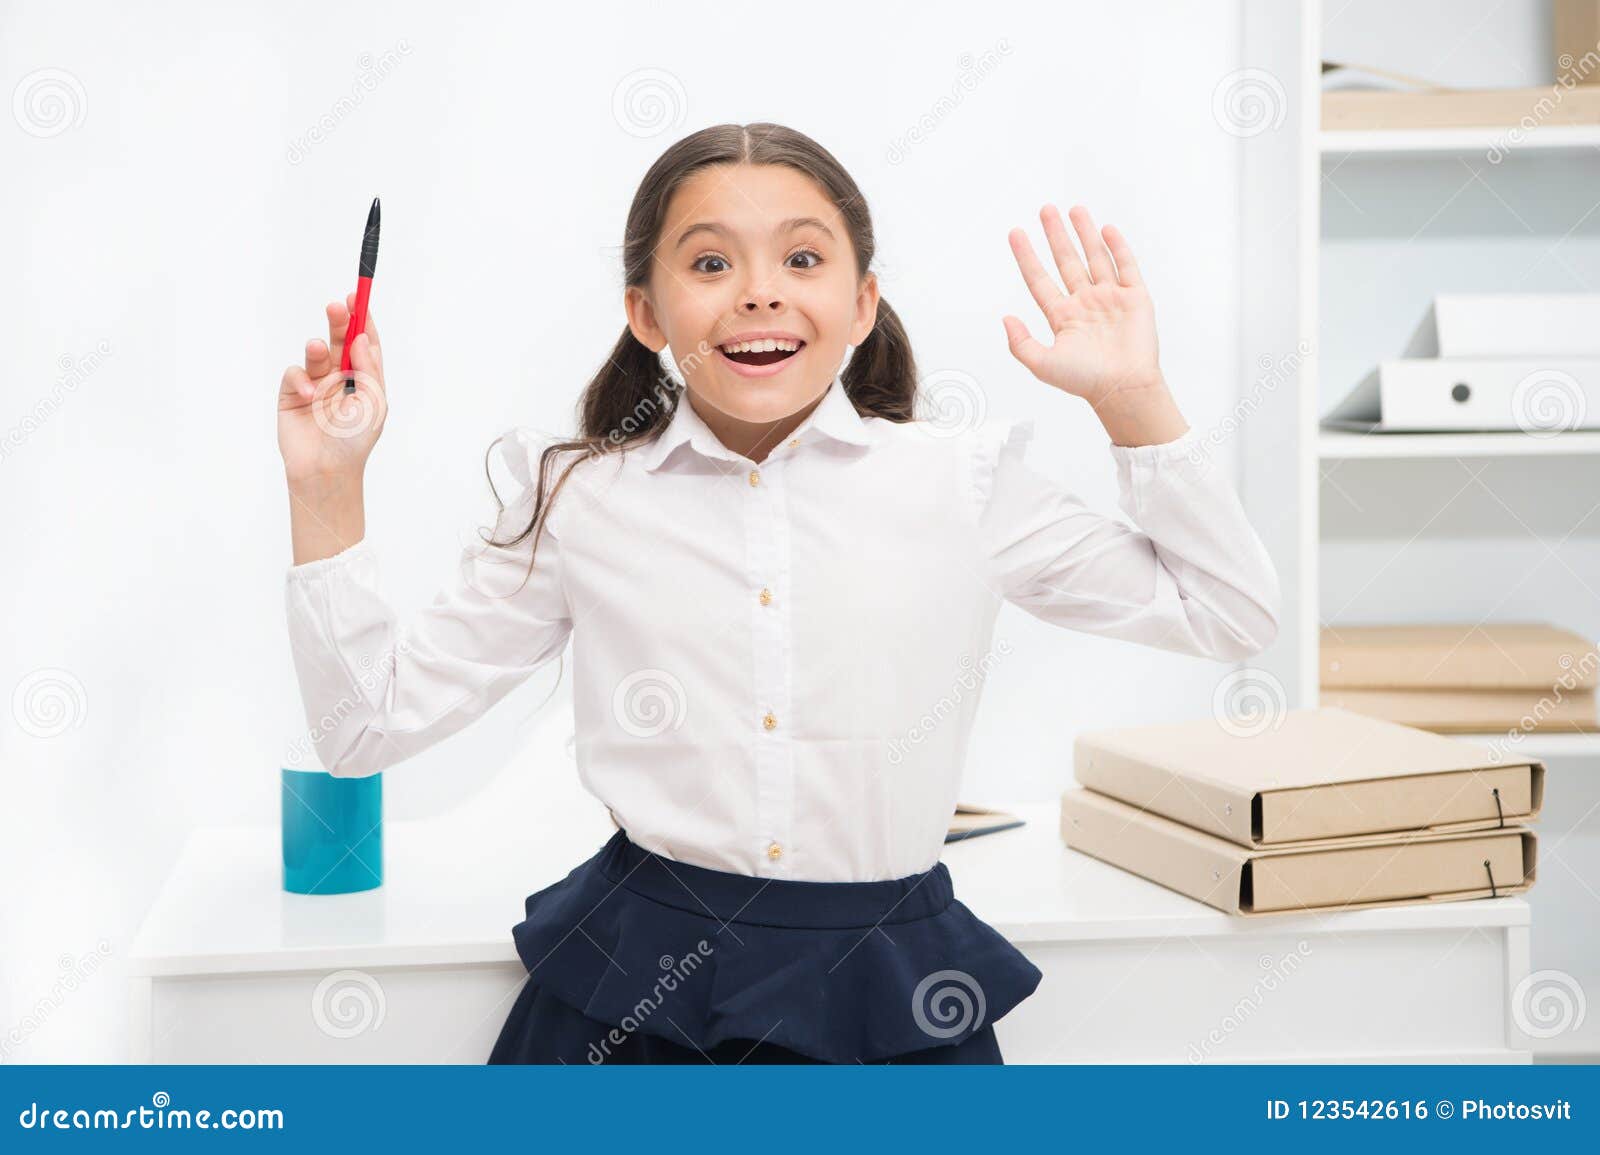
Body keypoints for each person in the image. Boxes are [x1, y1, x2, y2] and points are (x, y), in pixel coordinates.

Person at [276, 122, 1280, 1064]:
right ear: (646, 312)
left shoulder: (965, 482)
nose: (758, 292)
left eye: (802, 259)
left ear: (861, 303)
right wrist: (327, 485)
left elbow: (1229, 614)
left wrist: (1129, 396)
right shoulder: (581, 498)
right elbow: (362, 729)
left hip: (890, 990)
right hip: (630, 998)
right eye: (710, 263)